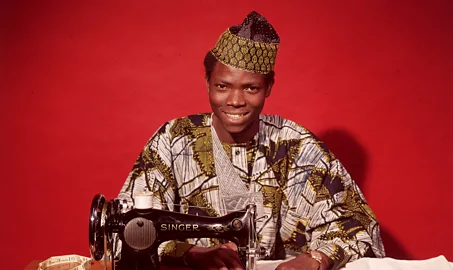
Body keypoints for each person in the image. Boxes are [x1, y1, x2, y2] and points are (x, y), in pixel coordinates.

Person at [118, 11, 385, 270]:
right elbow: (125, 230)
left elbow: (359, 228)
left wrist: (316, 259)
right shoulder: (173, 141)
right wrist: (191, 254)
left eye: (251, 88)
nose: (235, 101)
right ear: (207, 83)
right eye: (223, 86)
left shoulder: (297, 147)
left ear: (268, 87)